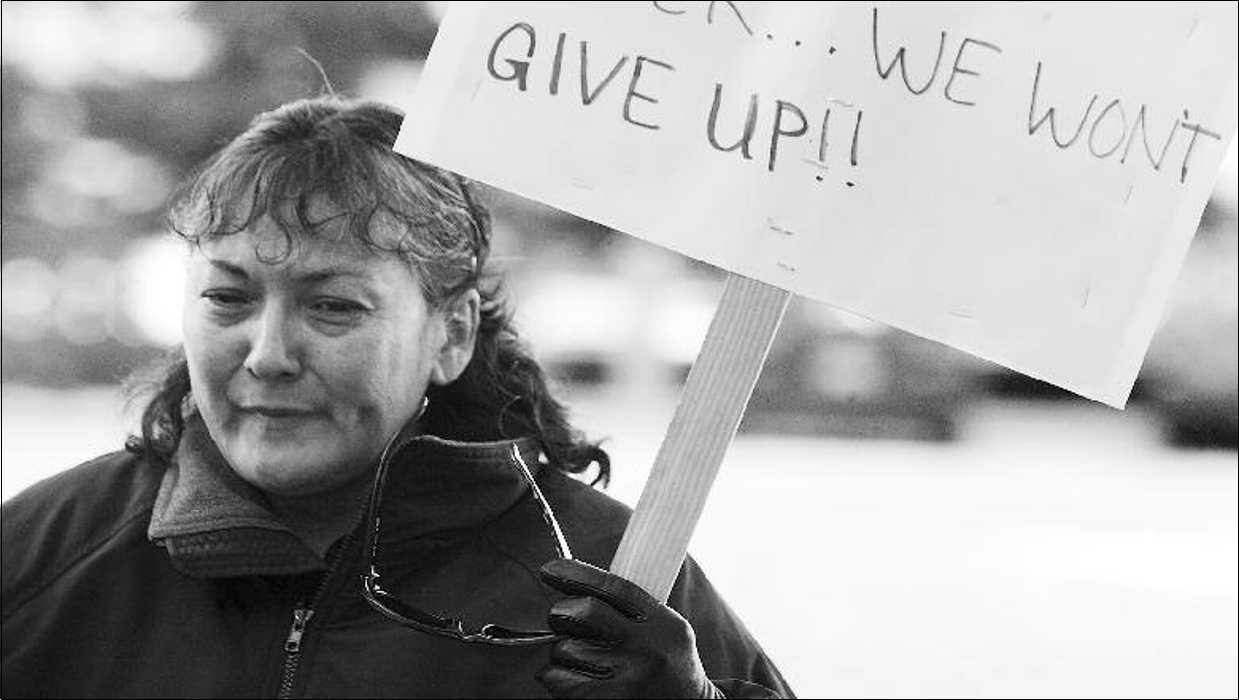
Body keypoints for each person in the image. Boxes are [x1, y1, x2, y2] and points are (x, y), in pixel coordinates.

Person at [0, 96, 793, 699]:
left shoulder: (613, 588)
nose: (269, 355)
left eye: (333, 306)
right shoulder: (48, 555)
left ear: (449, 335)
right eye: (228, 300)